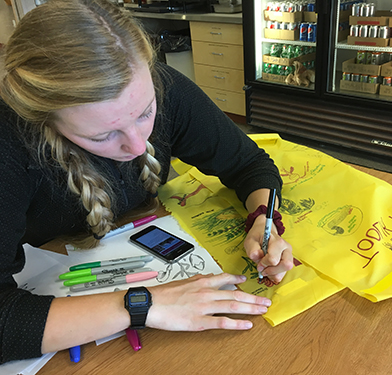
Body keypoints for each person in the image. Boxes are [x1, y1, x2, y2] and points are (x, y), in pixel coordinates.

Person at [0, 0, 293, 363]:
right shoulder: (9, 143)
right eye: (102, 135)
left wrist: (264, 220)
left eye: (145, 113)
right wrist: (142, 304)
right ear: (45, 118)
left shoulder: (163, 85)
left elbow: (248, 163)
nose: (138, 145)